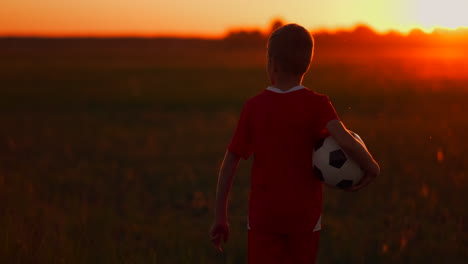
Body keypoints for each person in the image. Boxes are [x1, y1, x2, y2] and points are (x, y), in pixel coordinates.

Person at [209, 24, 380, 264]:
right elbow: (345, 140)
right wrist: (372, 168)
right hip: (304, 218)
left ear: (272, 63)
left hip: (264, 218)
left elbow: (229, 164)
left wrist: (220, 216)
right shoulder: (318, 104)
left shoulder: (254, 107)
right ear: (306, 65)